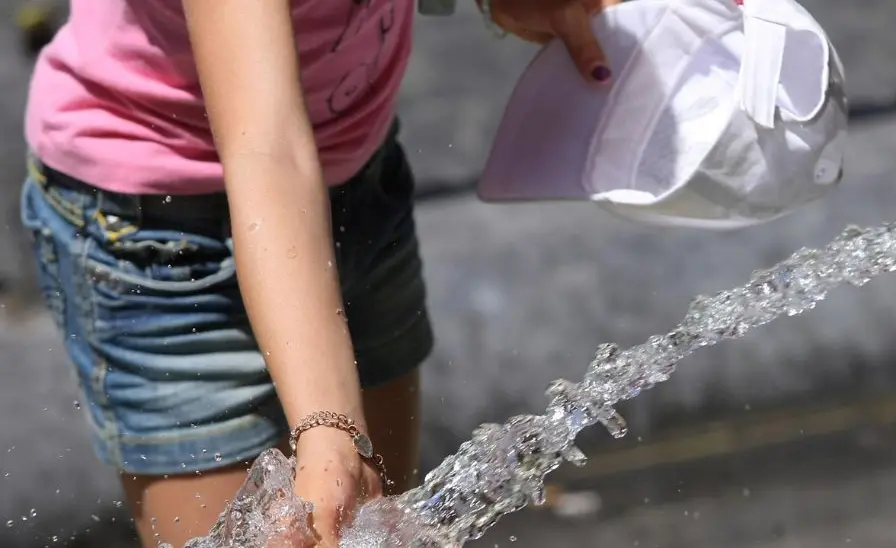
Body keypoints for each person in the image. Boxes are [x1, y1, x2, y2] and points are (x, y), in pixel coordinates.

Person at [18, 0, 617, 546]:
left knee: (369, 525)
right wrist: (331, 428)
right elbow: (267, 150)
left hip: (357, 181)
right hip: (160, 235)